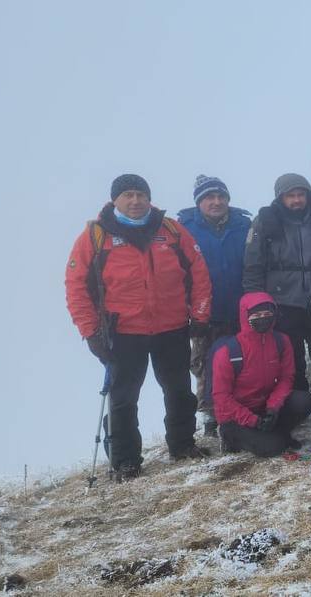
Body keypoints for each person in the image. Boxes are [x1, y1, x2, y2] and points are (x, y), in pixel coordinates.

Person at [65, 174, 213, 481]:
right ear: (115, 199)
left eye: (141, 195)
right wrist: (90, 332)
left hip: (171, 327)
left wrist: (200, 315)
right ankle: (125, 461)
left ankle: (183, 445)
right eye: (128, 195)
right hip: (123, 332)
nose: (135, 201)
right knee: (123, 398)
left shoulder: (170, 230)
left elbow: (199, 273)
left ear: (149, 198)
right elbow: (76, 285)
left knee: (178, 391)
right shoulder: (95, 236)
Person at [242, 173, 311, 416]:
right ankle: (300, 408)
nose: (297, 200)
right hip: (282, 299)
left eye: (301, 195)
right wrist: (255, 302)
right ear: (281, 198)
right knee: (291, 358)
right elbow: (253, 264)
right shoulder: (265, 221)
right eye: (291, 195)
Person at [178, 174, 252, 437]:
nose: (216, 201)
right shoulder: (183, 229)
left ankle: (241, 409)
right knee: (206, 362)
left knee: (242, 361)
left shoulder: (244, 225)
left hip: (241, 307)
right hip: (203, 312)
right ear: (199, 202)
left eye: (221, 196)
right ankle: (210, 416)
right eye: (209, 197)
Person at [212, 293, 311, 457]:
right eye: (257, 315)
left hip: (264, 406)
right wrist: (251, 420)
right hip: (237, 414)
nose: (263, 318)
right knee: (273, 448)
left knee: (305, 400)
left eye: (268, 314)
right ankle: (229, 436)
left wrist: (273, 407)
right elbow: (221, 397)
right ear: (245, 316)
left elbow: (286, 377)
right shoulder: (228, 352)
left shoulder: (281, 341)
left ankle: (276, 432)